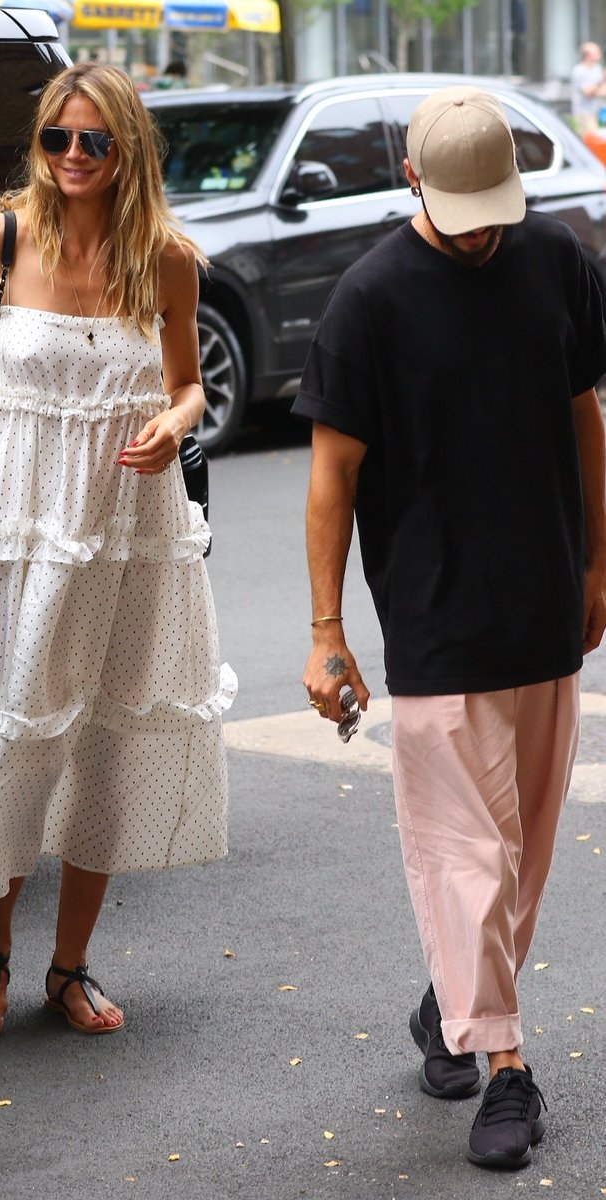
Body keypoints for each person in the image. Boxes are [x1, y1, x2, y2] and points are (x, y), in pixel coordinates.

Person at [293, 86, 606, 1169]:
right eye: (459, 210)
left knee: (517, 859)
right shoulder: (368, 300)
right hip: (432, 619)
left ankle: (453, 1003)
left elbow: (584, 415)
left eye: (493, 211)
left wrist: (598, 560)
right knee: (464, 855)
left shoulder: (557, 260)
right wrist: (327, 630)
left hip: (544, 605)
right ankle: (507, 1068)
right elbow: (331, 478)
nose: (480, 233)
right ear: (412, 180)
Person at [0, 62, 236, 1038]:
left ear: (127, 149)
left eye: (93, 140)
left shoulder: (166, 259)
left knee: (106, 741)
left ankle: (70, 966)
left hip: (130, 531)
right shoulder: (1, 240)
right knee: (20, 734)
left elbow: (187, 383)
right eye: (56, 138)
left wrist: (174, 423)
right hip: (24, 529)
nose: (71, 156)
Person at [571, 41, 606, 134]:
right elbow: (588, 93)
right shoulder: (579, 71)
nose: (600, 54)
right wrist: (602, 80)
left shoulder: (597, 68)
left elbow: (601, 90)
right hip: (583, 114)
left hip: (595, 111)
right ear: (587, 55)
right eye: (596, 52)